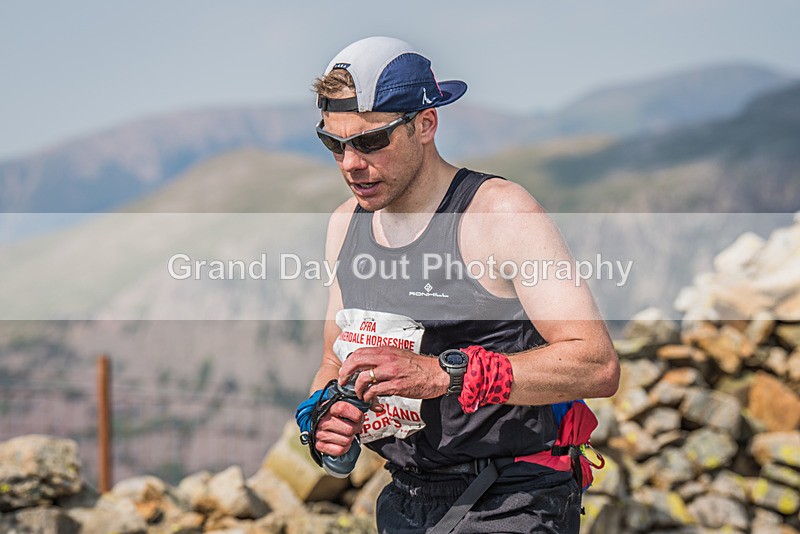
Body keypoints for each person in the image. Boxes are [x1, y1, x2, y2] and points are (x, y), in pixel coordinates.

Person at [296, 36, 620, 534]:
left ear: (425, 124)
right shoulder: (345, 225)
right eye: (334, 144)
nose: (350, 163)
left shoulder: (499, 213)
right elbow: (333, 361)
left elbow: (596, 364)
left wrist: (441, 375)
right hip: (405, 497)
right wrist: (327, 417)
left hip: (514, 498)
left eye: (371, 141)